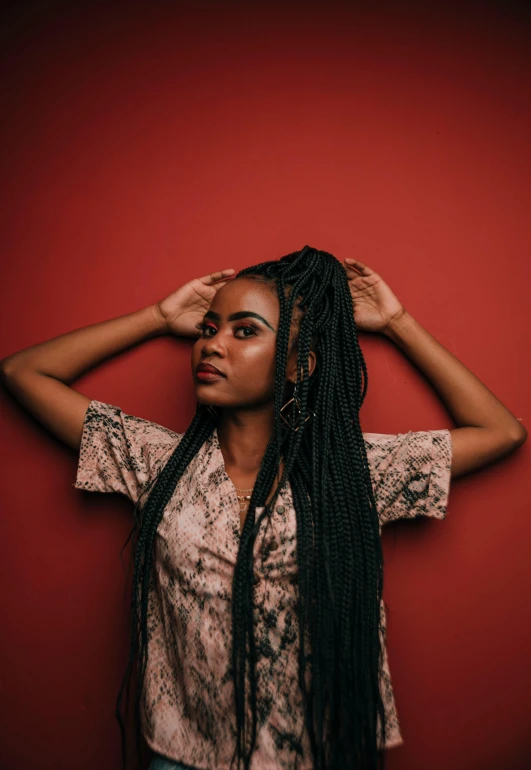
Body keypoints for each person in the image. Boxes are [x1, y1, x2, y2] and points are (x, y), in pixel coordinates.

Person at [1, 245, 526, 770]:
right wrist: (157, 318)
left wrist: (398, 323)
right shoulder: (158, 461)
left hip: (322, 753)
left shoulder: (349, 472)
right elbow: (23, 372)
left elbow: (501, 431)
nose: (213, 345)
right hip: (185, 754)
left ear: (300, 365)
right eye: (209, 329)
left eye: (244, 331)